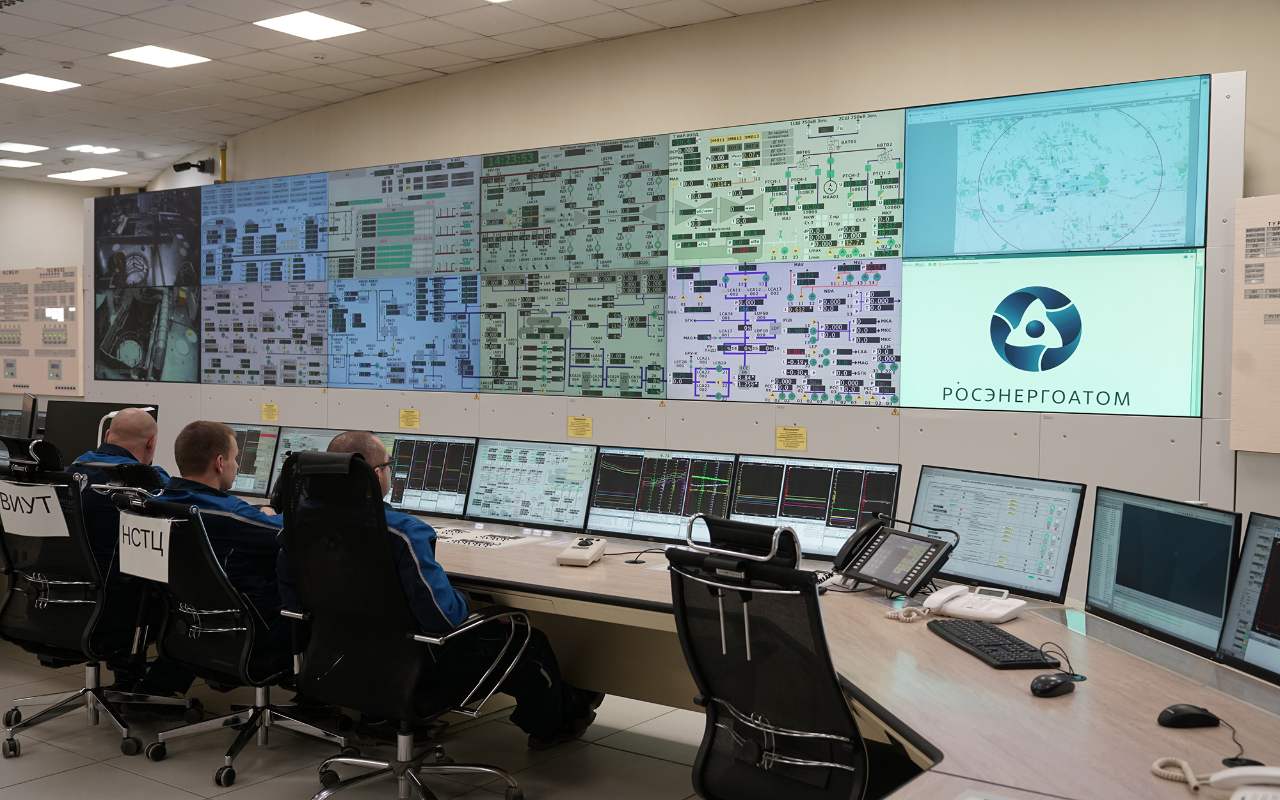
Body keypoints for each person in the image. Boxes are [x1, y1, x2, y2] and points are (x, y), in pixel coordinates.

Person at [278, 430, 603, 749]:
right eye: (389, 465)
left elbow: (294, 599)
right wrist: (471, 604)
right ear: (376, 475)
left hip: (336, 663)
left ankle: (380, 716)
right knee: (526, 639)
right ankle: (554, 725)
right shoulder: (403, 534)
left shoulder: (298, 524)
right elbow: (442, 618)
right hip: (415, 671)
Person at [160, 420, 289, 655]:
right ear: (220, 463)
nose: (237, 465)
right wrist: (269, 514)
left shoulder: (156, 502)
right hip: (242, 633)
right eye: (235, 458)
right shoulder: (230, 514)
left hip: (179, 625)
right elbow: (286, 532)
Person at [70, 407, 171, 574]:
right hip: (120, 580)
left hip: (68, 574)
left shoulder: (74, 468)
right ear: (151, 442)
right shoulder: (150, 480)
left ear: (107, 435)